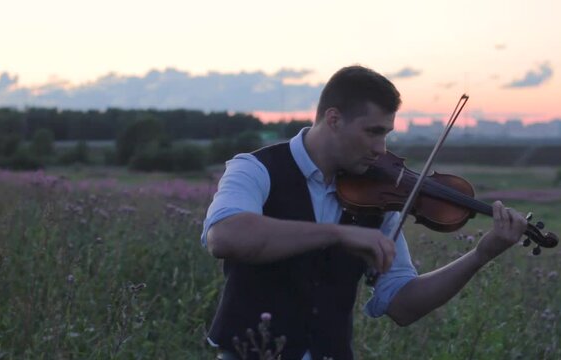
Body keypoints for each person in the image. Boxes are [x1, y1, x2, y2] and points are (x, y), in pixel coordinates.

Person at [200, 65, 527, 360]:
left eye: (386, 134)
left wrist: (480, 255)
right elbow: (226, 237)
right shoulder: (255, 169)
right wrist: (338, 233)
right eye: (373, 131)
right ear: (333, 119)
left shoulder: (377, 198)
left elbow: (403, 304)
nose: (381, 149)